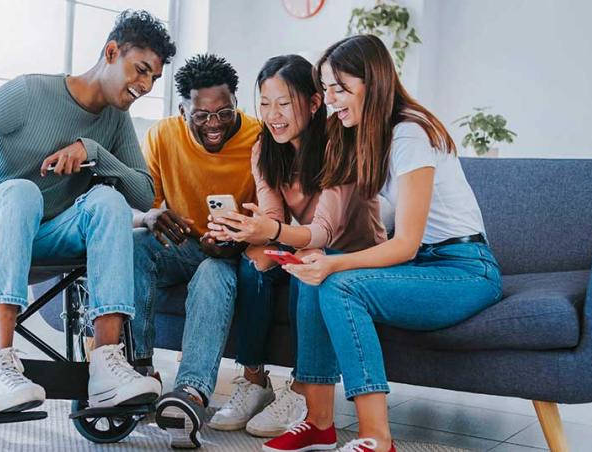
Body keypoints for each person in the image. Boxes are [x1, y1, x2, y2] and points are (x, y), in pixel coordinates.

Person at [0, 10, 176, 416]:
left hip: (45, 237)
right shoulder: (30, 93)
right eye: (141, 70)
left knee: (109, 201)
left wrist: (94, 152)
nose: (146, 86)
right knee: (23, 192)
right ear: (111, 52)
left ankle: (106, 366)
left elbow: (144, 194)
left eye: (154, 78)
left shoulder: (116, 120)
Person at [261, 35, 503, 452]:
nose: (330, 99)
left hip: (465, 269)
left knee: (338, 282)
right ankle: (318, 422)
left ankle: (377, 438)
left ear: (371, 83)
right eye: (326, 89)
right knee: (313, 268)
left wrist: (335, 264)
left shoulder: (410, 134)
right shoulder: (366, 135)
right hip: (424, 266)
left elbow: (405, 243)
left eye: (339, 88)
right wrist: (319, 255)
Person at [204, 55, 384, 438]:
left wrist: (271, 229)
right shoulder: (265, 148)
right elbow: (273, 217)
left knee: (309, 264)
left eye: (284, 104)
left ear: (315, 102)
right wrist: (246, 229)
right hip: (310, 246)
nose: (273, 115)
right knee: (254, 261)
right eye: (265, 103)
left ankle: (302, 388)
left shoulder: (341, 142)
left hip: (355, 254)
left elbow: (324, 232)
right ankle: (254, 381)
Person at [130, 53, 263, 449]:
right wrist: (153, 216)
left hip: (230, 252)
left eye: (224, 112)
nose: (214, 124)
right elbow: (144, 204)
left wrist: (233, 240)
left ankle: (191, 394)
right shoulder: (162, 136)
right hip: (179, 243)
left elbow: (271, 214)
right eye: (201, 116)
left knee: (212, 274)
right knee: (135, 244)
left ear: (236, 101)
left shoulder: (258, 138)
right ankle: (140, 373)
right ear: (182, 110)